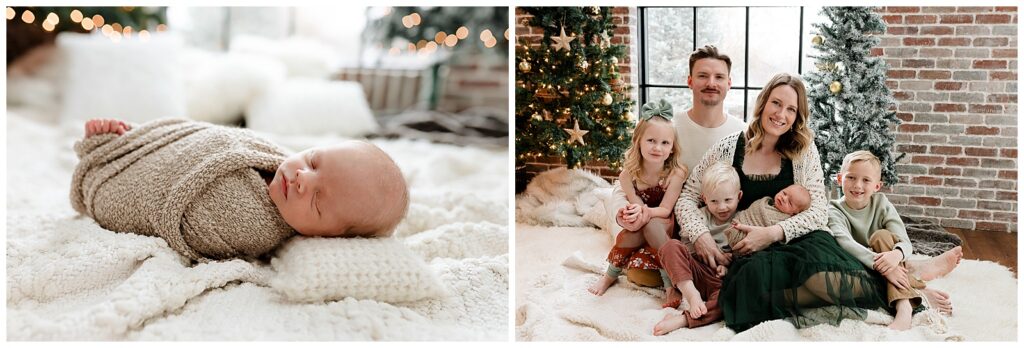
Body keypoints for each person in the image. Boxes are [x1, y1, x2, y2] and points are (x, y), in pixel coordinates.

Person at [671, 73, 890, 332]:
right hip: (753, 251)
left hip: (800, 241)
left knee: (846, 282)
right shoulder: (728, 147)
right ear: (763, 103)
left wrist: (774, 232)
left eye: (791, 109)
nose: (781, 114)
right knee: (750, 283)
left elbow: (819, 211)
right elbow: (687, 197)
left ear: (797, 116)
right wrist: (700, 236)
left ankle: (776, 301)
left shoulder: (803, 150)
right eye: (776, 103)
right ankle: (769, 301)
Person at [71, 118, 409, 262]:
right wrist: (134, 138)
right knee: (129, 135)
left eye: (319, 200)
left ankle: (107, 155)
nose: (304, 178)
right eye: (313, 160)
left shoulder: (252, 229)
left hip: (126, 184)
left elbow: (187, 222)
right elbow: (201, 134)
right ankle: (121, 140)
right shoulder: (267, 154)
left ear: (327, 237)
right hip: (152, 150)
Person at [609, 45, 746, 286]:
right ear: (690, 81)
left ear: (729, 83)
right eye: (703, 75)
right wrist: (625, 216)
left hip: (720, 224)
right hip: (668, 223)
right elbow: (628, 179)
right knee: (640, 275)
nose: (711, 83)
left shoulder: (742, 132)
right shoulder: (668, 130)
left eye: (719, 77)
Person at [828, 150, 962, 330]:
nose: (857, 185)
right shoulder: (834, 209)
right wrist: (881, 265)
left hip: (887, 255)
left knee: (881, 236)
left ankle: (903, 304)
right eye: (851, 177)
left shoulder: (881, 203)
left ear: (877, 186)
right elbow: (844, 242)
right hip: (862, 264)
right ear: (839, 178)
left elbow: (904, 241)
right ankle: (916, 289)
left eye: (866, 180)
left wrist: (896, 255)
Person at [588, 100, 688, 308]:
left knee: (653, 225)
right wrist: (633, 215)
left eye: (665, 143)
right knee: (631, 233)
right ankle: (610, 275)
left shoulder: (676, 173)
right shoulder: (628, 175)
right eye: (651, 140)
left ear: (672, 148)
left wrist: (644, 214)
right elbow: (635, 206)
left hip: (664, 223)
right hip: (641, 223)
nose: (657, 148)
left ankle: (670, 286)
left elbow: (665, 210)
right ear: (638, 141)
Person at [724, 183, 812, 250]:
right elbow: (751, 211)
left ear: (794, 214)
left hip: (749, 239)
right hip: (735, 223)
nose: (784, 198)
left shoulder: (784, 220)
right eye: (784, 193)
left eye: (790, 202)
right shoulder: (766, 202)